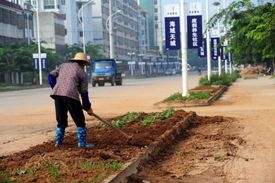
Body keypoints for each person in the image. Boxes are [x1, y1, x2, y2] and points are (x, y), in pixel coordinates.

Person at [48, 52, 94, 148]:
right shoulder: (82, 73)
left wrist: (55, 87)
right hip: (71, 96)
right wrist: (87, 107)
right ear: (84, 64)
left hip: (58, 95)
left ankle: (58, 142)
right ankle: (82, 143)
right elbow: (84, 93)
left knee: (61, 120)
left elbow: (50, 75)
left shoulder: (63, 66)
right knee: (80, 120)